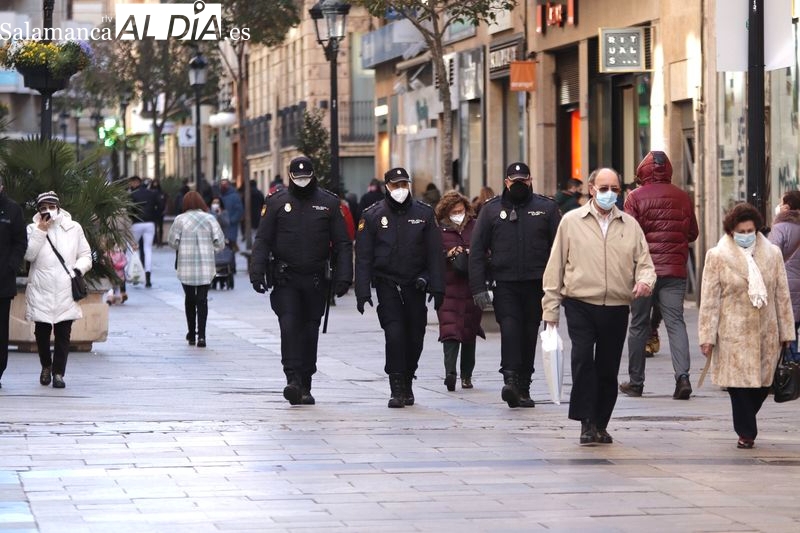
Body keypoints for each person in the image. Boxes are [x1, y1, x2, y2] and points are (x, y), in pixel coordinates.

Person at [542, 168, 655, 445]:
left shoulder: (630, 225)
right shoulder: (571, 221)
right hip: (580, 302)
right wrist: (550, 309)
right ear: (591, 189)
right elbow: (555, 266)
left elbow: (645, 264)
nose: (609, 194)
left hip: (616, 304)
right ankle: (586, 422)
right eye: (604, 188)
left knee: (608, 366)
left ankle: (601, 422)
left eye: (615, 189)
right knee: (582, 359)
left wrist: (645, 281)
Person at [250, 156, 353, 406]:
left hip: (316, 279)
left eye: (306, 177)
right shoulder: (276, 202)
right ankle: (292, 378)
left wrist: (344, 276)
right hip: (286, 278)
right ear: (290, 177)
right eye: (298, 178)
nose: (303, 182)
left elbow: (342, 243)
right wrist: (257, 271)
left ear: (313, 176)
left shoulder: (328, 203)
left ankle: (306, 382)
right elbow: (262, 240)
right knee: (288, 326)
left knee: (310, 330)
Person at [699, 203, 795, 449]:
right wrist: (707, 336)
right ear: (731, 232)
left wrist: (786, 331)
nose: (746, 235)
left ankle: (746, 420)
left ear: (757, 229)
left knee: (762, 386)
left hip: (766, 332)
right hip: (733, 332)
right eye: (740, 231)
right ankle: (746, 432)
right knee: (737, 386)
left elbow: (782, 294)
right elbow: (709, 299)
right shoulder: (717, 256)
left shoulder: (772, 254)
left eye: (750, 230)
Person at [469, 162, 561, 408]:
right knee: (510, 330)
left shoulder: (546, 208)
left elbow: (559, 249)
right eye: (515, 181)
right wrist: (478, 287)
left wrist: (560, 285)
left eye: (523, 180)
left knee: (529, 333)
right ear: (506, 182)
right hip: (505, 283)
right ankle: (510, 380)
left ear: (530, 180)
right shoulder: (491, 210)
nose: (519, 184)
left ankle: (524, 386)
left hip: (536, 284)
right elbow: (477, 251)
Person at [355, 167, 445, 408]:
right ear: (387, 187)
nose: (400, 189)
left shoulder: (424, 214)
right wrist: (362, 291)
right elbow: (363, 257)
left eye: (404, 184)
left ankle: (407, 378)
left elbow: (435, 254)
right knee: (394, 335)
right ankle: (396, 387)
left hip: (416, 285)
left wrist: (437, 287)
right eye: (396, 185)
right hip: (388, 284)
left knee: (415, 336)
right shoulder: (373, 215)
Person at [619, 151, 699, 399]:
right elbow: (693, 233)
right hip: (674, 270)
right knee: (676, 323)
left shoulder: (635, 197)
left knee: (639, 324)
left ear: (642, 172)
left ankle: (636, 382)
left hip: (644, 273)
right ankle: (683, 377)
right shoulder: (683, 197)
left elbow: (627, 236)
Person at [24, 191, 92, 389]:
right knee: (42, 333)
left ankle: (59, 373)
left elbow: (86, 254)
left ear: (58, 207)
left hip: (65, 288)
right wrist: (40, 231)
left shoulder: (74, 228)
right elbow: (29, 255)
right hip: (41, 288)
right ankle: (46, 365)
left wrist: (77, 270)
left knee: (63, 334)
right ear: (38, 210)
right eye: (43, 208)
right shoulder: (32, 229)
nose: (48, 211)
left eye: (51, 207)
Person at [435, 190, 484, 391]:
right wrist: (448, 254)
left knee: (469, 331)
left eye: (461, 210)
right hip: (448, 287)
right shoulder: (438, 230)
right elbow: (431, 255)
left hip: (471, 287)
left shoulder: (475, 226)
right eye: (454, 212)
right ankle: (450, 373)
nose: (458, 214)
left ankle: (466, 375)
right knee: (450, 331)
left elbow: (485, 250)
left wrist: (471, 253)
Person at [168, 192, 225, 348]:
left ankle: (192, 334)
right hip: (206, 265)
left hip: (185, 265)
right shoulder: (210, 219)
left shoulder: (180, 220)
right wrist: (209, 249)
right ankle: (202, 337)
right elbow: (220, 243)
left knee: (189, 299)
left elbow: (172, 242)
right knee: (202, 299)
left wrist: (183, 246)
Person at [0, 184, 27, 388]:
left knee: (1, 331)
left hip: (3, 282)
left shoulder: (12, 209)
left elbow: (20, 242)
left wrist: (10, 266)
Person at [769, 190, 800, 362]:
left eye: (781, 202)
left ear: (787, 207)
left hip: (786, 287)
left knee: (788, 332)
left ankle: (792, 369)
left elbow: (771, 256)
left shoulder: (780, 228)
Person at [128, 175, 162, 288]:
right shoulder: (152, 193)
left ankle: (134, 274)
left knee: (132, 248)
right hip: (150, 223)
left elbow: (129, 210)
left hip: (137, 223)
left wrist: (132, 219)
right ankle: (148, 277)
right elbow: (160, 206)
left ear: (136, 182)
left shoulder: (133, 195)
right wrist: (155, 216)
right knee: (148, 250)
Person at [220, 179, 244, 247]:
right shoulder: (220, 196)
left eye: (225, 184)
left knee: (230, 247)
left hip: (231, 228)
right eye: (222, 184)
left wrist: (231, 220)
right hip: (221, 228)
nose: (223, 186)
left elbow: (239, 210)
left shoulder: (235, 196)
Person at [149, 178, 167, 246]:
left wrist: (165, 210)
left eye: (156, 182)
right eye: (154, 182)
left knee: (160, 227)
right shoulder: (150, 192)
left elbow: (165, 201)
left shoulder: (161, 192)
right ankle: (155, 240)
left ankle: (160, 241)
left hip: (160, 212)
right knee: (154, 227)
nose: (155, 184)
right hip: (153, 212)